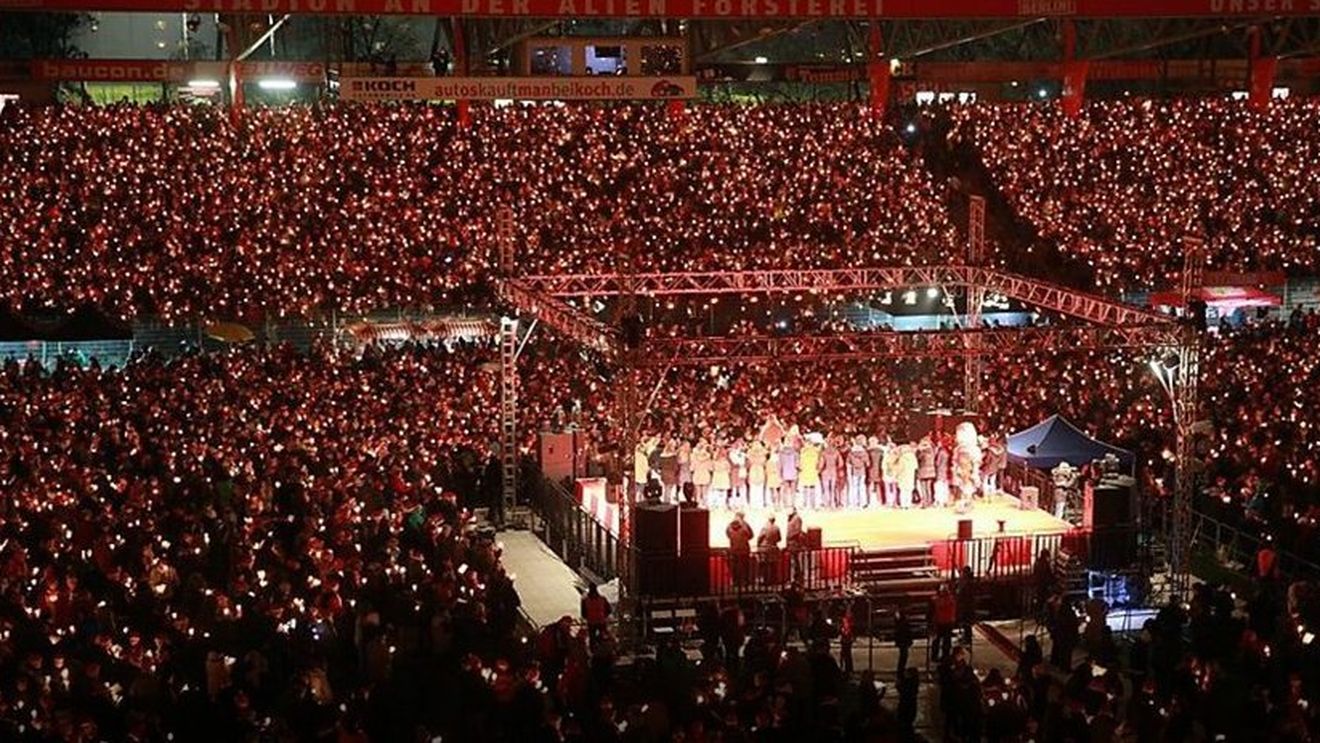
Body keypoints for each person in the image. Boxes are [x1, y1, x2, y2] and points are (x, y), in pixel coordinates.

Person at [931, 583, 957, 663]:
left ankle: (935, 656)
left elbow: (933, 611)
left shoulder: (936, 600)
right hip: (947, 622)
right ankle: (945, 656)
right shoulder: (951, 599)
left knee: (938, 641)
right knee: (946, 641)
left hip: (940, 623)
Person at [726, 511, 755, 587]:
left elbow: (727, 534)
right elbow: (751, 535)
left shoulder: (729, 525)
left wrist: (733, 540)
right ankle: (745, 582)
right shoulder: (745, 525)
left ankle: (735, 582)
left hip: (734, 549)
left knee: (735, 566)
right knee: (745, 566)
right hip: (744, 549)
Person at [756, 515, 782, 585]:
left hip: (764, 548)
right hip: (773, 548)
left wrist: (758, 545)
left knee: (764, 565)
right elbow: (779, 538)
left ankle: (765, 580)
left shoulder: (765, 527)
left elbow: (760, 538)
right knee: (772, 565)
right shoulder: (777, 528)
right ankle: (773, 580)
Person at [786, 508, 807, 583]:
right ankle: (795, 578)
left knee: (796, 562)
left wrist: (790, 536)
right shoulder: (790, 519)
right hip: (791, 544)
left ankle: (798, 578)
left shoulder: (797, 518)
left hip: (795, 544)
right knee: (794, 562)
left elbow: (798, 530)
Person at [894, 607, 914, 678]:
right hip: (904, 642)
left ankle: (900, 672)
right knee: (903, 657)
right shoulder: (904, 623)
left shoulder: (900, 622)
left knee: (903, 657)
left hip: (902, 641)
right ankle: (900, 672)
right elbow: (907, 633)